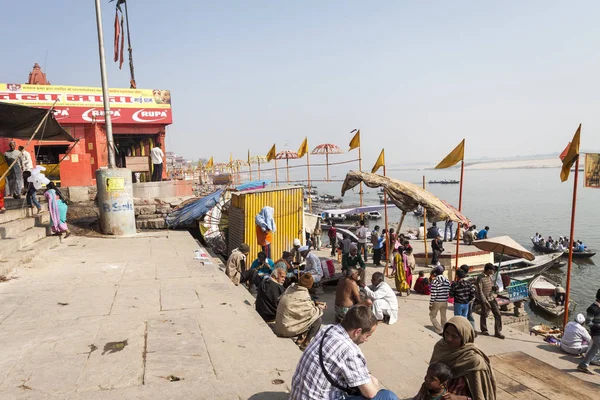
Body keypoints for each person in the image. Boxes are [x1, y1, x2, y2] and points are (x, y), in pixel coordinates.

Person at [290, 305, 399, 400]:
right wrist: (374, 383)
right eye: (367, 336)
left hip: (298, 395)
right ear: (358, 332)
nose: (367, 340)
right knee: (387, 396)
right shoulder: (349, 350)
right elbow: (371, 393)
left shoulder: (327, 329)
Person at [429, 317, 497, 400]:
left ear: (464, 337)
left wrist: (458, 398)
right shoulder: (440, 346)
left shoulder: (474, 360)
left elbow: (479, 396)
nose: (448, 338)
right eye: (446, 333)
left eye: (454, 336)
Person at [275, 273, 325, 350]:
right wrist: (320, 308)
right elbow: (311, 312)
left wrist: (315, 303)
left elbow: (299, 305)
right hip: (286, 330)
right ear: (310, 285)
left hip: (279, 325)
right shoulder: (303, 294)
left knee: (304, 316)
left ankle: (300, 339)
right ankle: (306, 343)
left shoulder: (291, 288)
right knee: (317, 319)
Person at [475, 263, 504, 339]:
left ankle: (498, 331)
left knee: (497, 314)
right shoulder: (480, 278)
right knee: (484, 314)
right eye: (492, 270)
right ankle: (484, 329)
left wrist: (494, 288)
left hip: (491, 297)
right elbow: (480, 291)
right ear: (488, 270)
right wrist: (484, 301)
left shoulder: (490, 277)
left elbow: (490, 286)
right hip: (485, 299)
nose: (493, 272)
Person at [578, 288, 600, 374]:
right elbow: (588, 322)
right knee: (594, 349)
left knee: (594, 350)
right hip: (597, 334)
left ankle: (583, 365)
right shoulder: (592, 308)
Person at [430, 266, 450, 335]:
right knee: (443, 316)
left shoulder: (435, 281)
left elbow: (434, 294)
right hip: (444, 301)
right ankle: (445, 329)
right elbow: (448, 291)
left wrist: (431, 303)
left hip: (437, 301)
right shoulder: (447, 280)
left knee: (432, 316)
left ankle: (439, 330)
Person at [459, 265, 476, 330]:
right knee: (469, 314)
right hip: (470, 299)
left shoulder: (463, 280)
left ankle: (466, 328)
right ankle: (472, 328)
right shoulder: (471, 278)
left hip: (465, 300)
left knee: (464, 314)